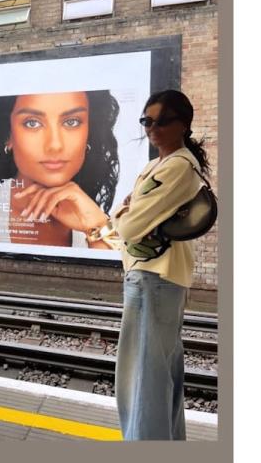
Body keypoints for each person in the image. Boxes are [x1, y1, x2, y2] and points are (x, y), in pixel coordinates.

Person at [102, 89, 212, 440]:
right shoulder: (156, 166)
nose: (152, 127)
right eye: (146, 121)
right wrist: (127, 213)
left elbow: (129, 226)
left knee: (143, 382)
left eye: (162, 121)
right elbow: (119, 216)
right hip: (152, 278)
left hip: (155, 280)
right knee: (160, 377)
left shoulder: (179, 166)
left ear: (183, 125)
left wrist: (128, 212)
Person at [0, 90, 119, 248]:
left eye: (71, 122)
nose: (55, 145)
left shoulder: (90, 215)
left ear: (89, 134)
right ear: (8, 136)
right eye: (32, 123)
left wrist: (98, 226)